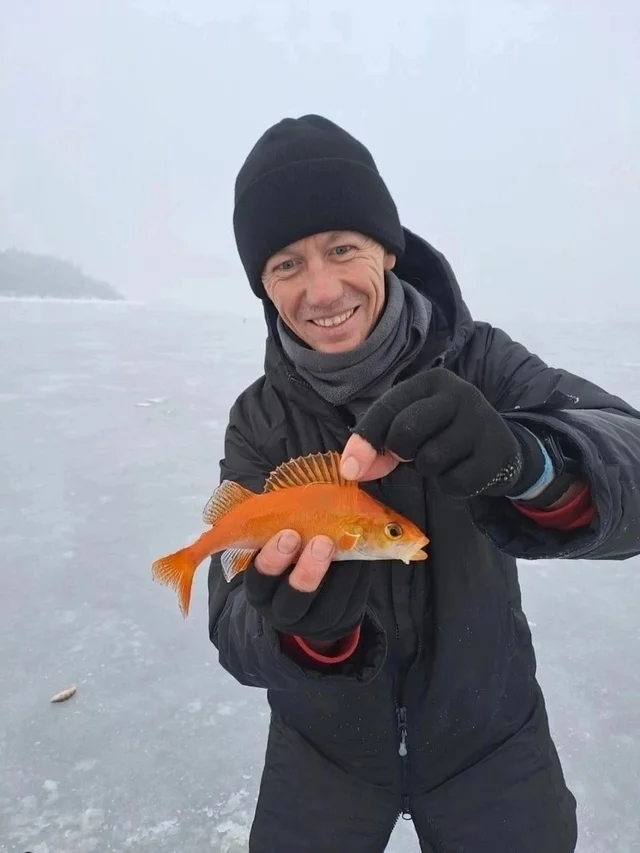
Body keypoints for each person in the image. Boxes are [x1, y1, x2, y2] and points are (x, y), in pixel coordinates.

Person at [207, 114, 640, 853]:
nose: (321, 289)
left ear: (387, 248)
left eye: (342, 248)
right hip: (323, 758)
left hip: (494, 745)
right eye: (285, 264)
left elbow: (628, 462)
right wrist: (309, 637)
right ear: (263, 285)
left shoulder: (484, 363)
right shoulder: (258, 418)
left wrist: (529, 461)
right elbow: (235, 622)